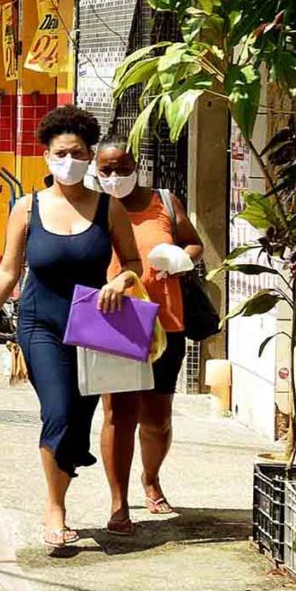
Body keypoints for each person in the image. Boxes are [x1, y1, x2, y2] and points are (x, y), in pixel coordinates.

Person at [0, 105, 145, 549]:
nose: (69, 159)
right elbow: (9, 271)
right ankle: (55, 509)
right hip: (39, 325)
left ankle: (62, 496)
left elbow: (131, 262)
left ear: (89, 156)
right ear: (47, 157)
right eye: (60, 152)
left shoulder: (109, 209)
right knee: (60, 411)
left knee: (78, 421)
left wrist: (123, 281)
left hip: (93, 327)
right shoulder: (27, 208)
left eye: (78, 152)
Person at [92, 138, 203, 531]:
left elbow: (194, 243)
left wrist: (181, 258)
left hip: (164, 321)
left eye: (123, 168)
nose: (115, 177)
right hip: (113, 321)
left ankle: (151, 479)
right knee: (116, 415)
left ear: (136, 166)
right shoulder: (91, 205)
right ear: (95, 169)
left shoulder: (165, 202)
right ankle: (118, 502)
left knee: (156, 418)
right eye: (106, 170)